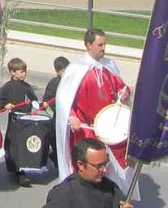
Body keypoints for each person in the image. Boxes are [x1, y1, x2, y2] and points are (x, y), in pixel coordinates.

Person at [55, 29, 132, 194]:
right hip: (86, 128)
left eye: (105, 44)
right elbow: (64, 99)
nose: (104, 48)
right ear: (89, 45)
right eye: (100, 44)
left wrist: (124, 93)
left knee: (110, 165)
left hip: (108, 128)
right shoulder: (76, 69)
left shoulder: (109, 65)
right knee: (88, 165)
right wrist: (72, 116)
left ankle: (111, 195)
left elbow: (121, 87)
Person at [0, 58, 44, 187]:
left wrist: (36, 105)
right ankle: (18, 171)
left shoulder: (27, 87)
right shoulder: (8, 87)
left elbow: (33, 100)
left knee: (25, 145)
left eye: (24, 71)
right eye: (21, 72)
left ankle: (26, 167)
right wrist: (5, 105)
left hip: (27, 120)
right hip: (15, 120)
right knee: (15, 145)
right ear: (12, 72)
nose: (24, 74)